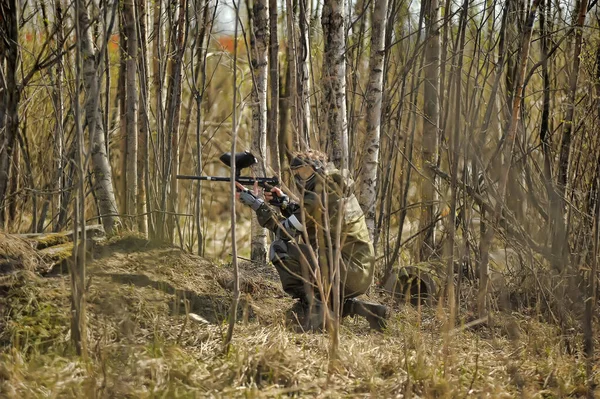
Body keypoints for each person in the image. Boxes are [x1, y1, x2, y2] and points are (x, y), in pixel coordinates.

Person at [236, 149, 389, 331]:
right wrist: (285, 203)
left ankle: (311, 308)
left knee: (280, 248)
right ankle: (371, 312)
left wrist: (258, 205)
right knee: (324, 286)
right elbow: (311, 219)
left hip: (345, 269)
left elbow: (286, 231)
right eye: (297, 174)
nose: (301, 179)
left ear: (317, 170)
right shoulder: (332, 189)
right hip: (356, 271)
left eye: (305, 172)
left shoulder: (318, 195)